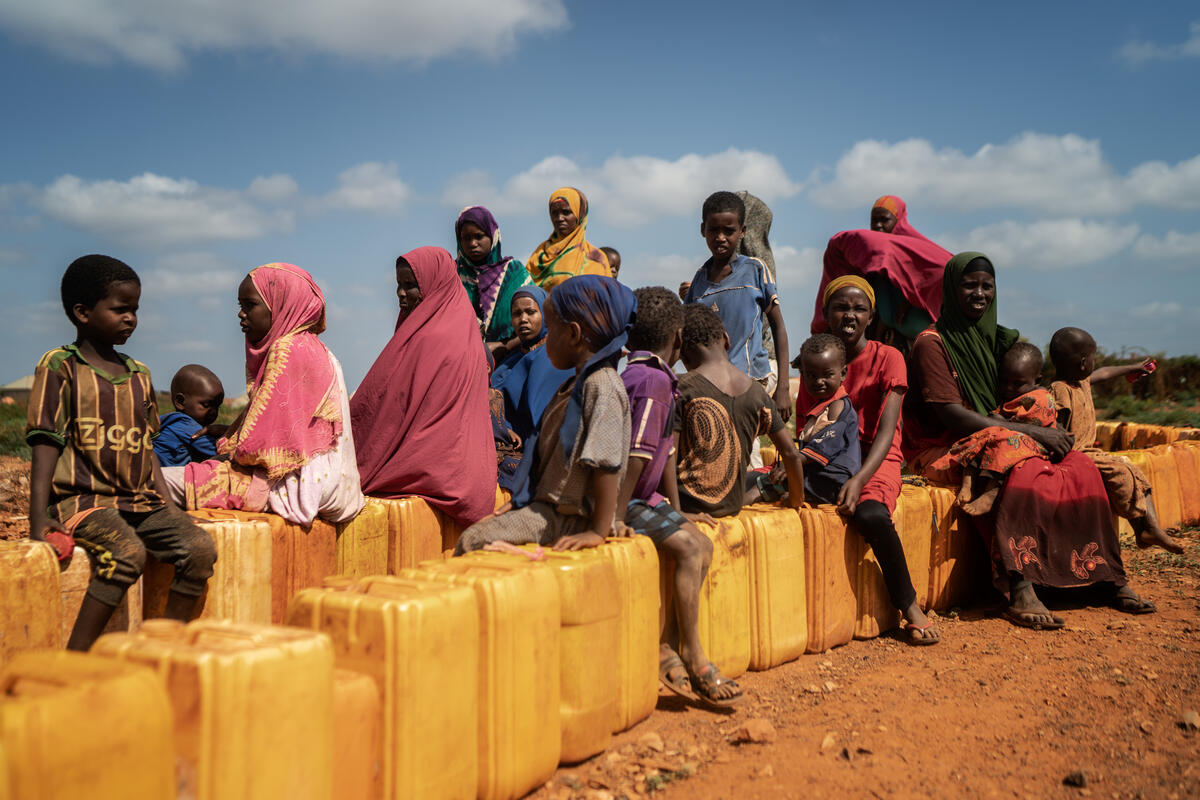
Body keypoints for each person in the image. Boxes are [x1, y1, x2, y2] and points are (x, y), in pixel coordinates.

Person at [903, 252, 1155, 630]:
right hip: (942, 446)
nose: (979, 293)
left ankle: (1103, 577)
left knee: (1081, 467)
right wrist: (1034, 432)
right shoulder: (932, 344)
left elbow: (1017, 397)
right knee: (1021, 464)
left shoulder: (995, 339)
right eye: (969, 285)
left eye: (987, 286)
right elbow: (951, 416)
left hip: (998, 434)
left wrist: (1037, 423)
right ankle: (1020, 585)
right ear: (950, 290)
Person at [27, 255, 216, 651]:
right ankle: (74, 659)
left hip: (139, 502)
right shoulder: (61, 366)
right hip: (84, 501)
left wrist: (170, 507)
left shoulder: (139, 375)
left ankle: (161, 648)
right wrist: (38, 518)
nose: (131, 318)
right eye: (120, 309)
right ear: (82, 312)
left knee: (199, 549)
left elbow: (148, 449)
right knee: (126, 553)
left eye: (135, 310)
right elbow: (45, 443)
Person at [164, 263, 364, 527]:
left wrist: (229, 448)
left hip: (293, 489)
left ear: (281, 305)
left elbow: (256, 452)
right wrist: (229, 432)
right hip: (332, 486)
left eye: (249, 305)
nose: (241, 314)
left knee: (161, 481)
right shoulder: (317, 349)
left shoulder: (287, 349)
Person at [617, 287, 742, 707]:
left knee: (701, 542)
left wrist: (677, 507)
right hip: (625, 499)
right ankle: (693, 652)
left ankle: (669, 644)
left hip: (643, 497)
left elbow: (664, 453)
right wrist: (613, 519)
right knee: (690, 550)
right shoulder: (651, 380)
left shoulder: (654, 378)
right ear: (676, 337)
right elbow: (636, 454)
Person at [799, 275, 938, 643]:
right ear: (826, 313)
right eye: (841, 307)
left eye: (859, 308)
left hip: (875, 458)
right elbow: (806, 428)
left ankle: (908, 605)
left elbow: (887, 430)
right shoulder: (814, 361)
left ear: (872, 315)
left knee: (871, 514)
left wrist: (858, 480)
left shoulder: (888, 357)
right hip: (826, 457)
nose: (849, 315)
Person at [455, 275, 634, 554]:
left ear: (573, 335)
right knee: (479, 532)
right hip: (547, 507)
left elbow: (606, 461)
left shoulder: (601, 385)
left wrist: (598, 531)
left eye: (552, 329)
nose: (546, 339)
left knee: (473, 541)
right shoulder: (574, 384)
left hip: (570, 517)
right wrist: (514, 505)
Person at [352, 247, 497, 527]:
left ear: (434, 286)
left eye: (410, 286)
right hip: (466, 473)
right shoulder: (456, 328)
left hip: (435, 467)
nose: (401, 294)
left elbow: (393, 407)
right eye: (399, 286)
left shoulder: (434, 338)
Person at [1049, 327, 1182, 554]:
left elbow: (1105, 372)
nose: (1095, 364)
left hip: (1091, 452)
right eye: (1092, 359)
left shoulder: (1081, 381)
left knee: (1134, 471)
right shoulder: (1059, 390)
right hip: (1077, 454)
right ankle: (1145, 529)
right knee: (1121, 472)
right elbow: (1056, 427)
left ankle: (1149, 528)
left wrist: (1132, 368)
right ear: (1083, 362)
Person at [675, 303, 804, 517]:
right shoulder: (756, 392)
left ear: (683, 354)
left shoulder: (681, 387)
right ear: (726, 339)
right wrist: (796, 500)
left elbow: (665, 456)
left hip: (689, 509)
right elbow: (791, 454)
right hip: (731, 507)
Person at [684, 191, 792, 423]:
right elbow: (686, 338)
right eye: (714, 230)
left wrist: (783, 387)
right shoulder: (699, 281)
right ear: (703, 230)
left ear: (742, 232)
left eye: (729, 231)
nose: (720, 237)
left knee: (744, 447)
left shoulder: (755, 270)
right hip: (713, 386)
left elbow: (779, 328)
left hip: (751, 380)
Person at [925, 342, 1058, 515]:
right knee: (981, 437)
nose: (1008, 388)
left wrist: (1001, 423)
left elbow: (1031, 426)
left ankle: (991, 493)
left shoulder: (1041, 399)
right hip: (1002, 438)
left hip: (1030, 446)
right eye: (1004, 382)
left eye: (1017, 384)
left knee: (1006, 441)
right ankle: (968, 484)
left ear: (1037, 380)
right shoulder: (1011, 397)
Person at [813, 195, 952, 349]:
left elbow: (942, 272)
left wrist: (909, 299)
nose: (878, 225)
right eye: (874, 221)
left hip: (920, 335)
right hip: (887, 333)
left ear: (899, 221)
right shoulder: (870, 254)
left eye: (884, 220)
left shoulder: (918, 251)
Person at [492, 286, 575, 448]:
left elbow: (544, 421)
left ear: (545, 315)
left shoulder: (552, 358)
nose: (523, 319)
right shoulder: (512, 358)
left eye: (530, 312)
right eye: (517, 314)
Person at [454, 205, 533, 359]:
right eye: (466, 238)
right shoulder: (451, 275)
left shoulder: (514, 273)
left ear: (493, 236)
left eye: (479, 236)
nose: (473, 243)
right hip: (460, 360)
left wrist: (505, 346)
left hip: (510, 358)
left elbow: (538, 320)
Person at [526, 187, 612, 289]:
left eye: (566, 212)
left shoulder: (597, 259)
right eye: (554, 213)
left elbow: (605, 299)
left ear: (580, 214)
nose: (559, 218)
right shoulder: (540, 254)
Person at [153, 364, 226, 467]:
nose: (213, 412)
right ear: (181, 402)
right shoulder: (185, 425)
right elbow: (224, 448)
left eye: (217, 406)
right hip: (164, 478)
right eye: (206, 405)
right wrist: (230, 430)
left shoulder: (174, 422)